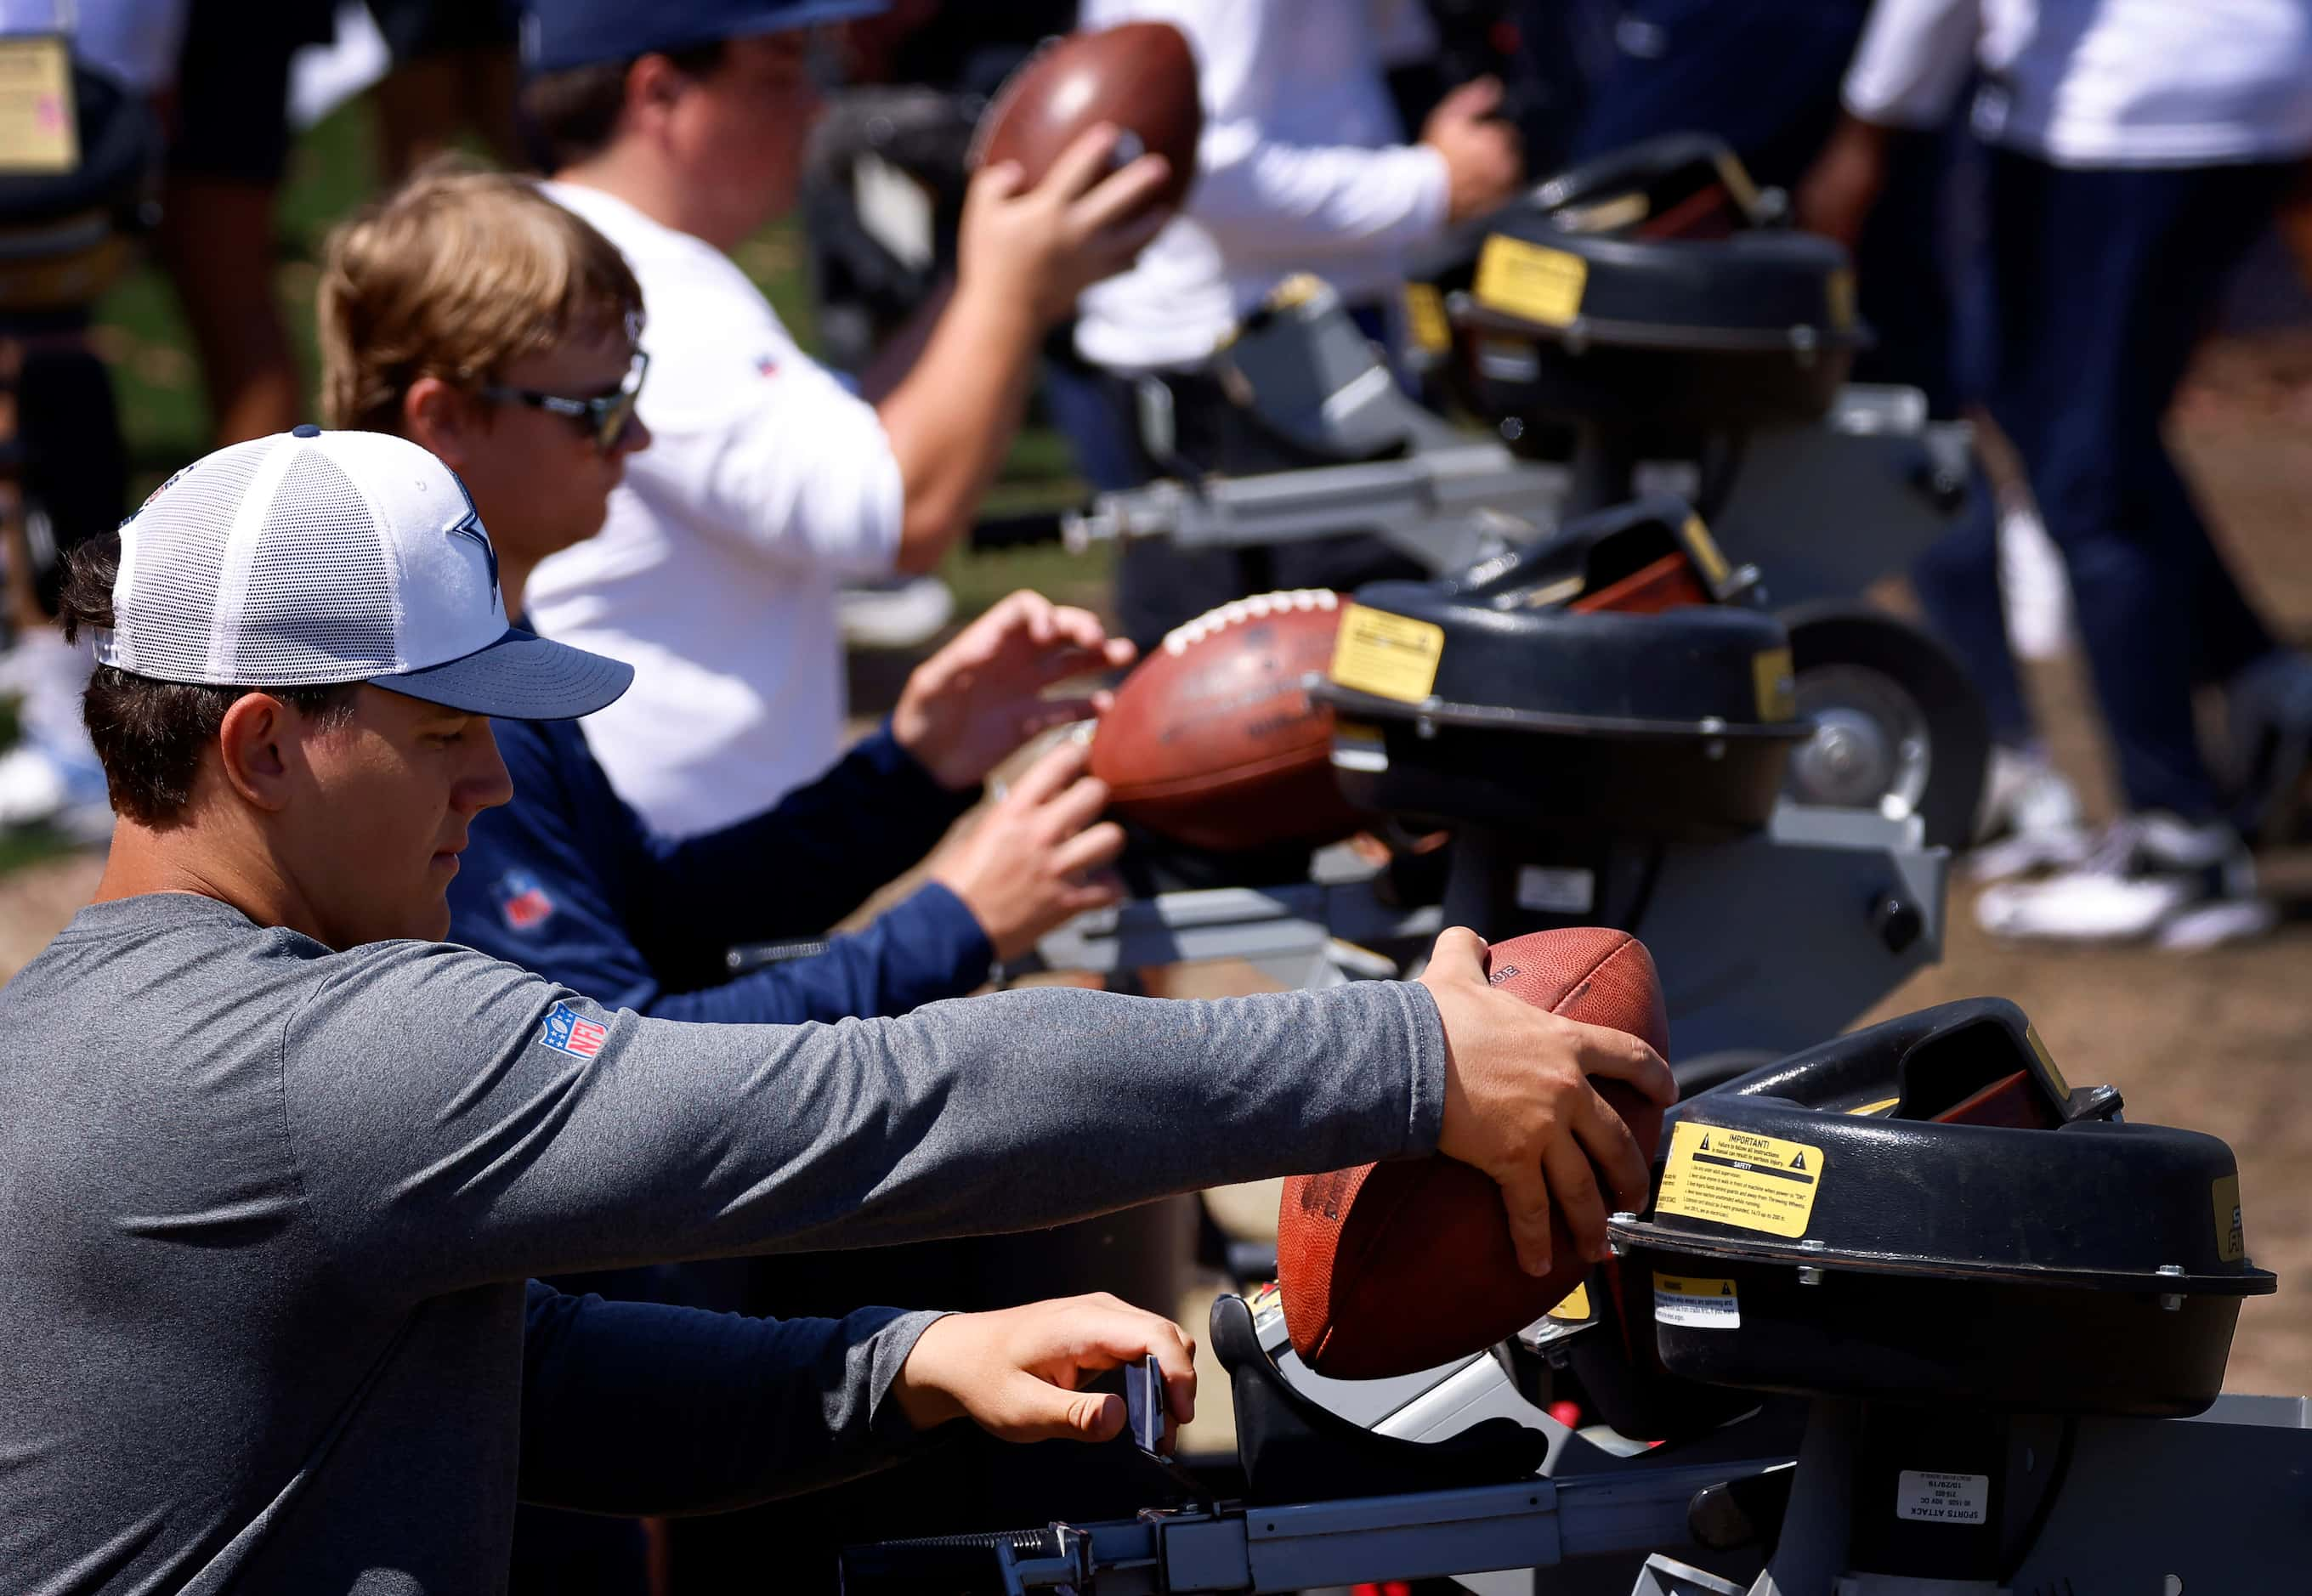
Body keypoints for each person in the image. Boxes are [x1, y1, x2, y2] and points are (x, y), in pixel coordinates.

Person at [0, 423, 1674, 1591]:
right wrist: (1403, 1053)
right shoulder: (312, 1064)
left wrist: (907, 1365)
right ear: (260, 749)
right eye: (444, 733)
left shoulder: (77, 1022)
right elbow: (874, 1107)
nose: (496, 782)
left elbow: (524, 1380)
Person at [320, 165, 1130, 1027]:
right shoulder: (417, 686)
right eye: (594, 409)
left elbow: (664, 916)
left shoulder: (470, 632)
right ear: (444, 420)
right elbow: (620, 1070)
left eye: (631, 394)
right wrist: (956, 922)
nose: (636, 435)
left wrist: (912, 768)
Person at [514, 0, 1170, 836]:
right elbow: (897, 513)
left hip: (660, 858)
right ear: (658, 95)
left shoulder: (593, 252)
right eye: (782, 72)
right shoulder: (645, 295)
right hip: (672, 883)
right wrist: (1006, 294)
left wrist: (988, 281)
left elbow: (857, 435)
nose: (813, 108)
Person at [1799, 0, 2312, 948]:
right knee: (2068, 430)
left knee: (2086, 479)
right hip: (2237, 79)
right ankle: (2264, 686)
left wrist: (1865, 128)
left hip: (2125, 111)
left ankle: (2175, 844)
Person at [1060, 0, 1527, 654]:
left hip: (1293, 339)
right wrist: (1429, 185)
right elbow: (1198, 165)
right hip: (1244, 364)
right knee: (1314, 680)